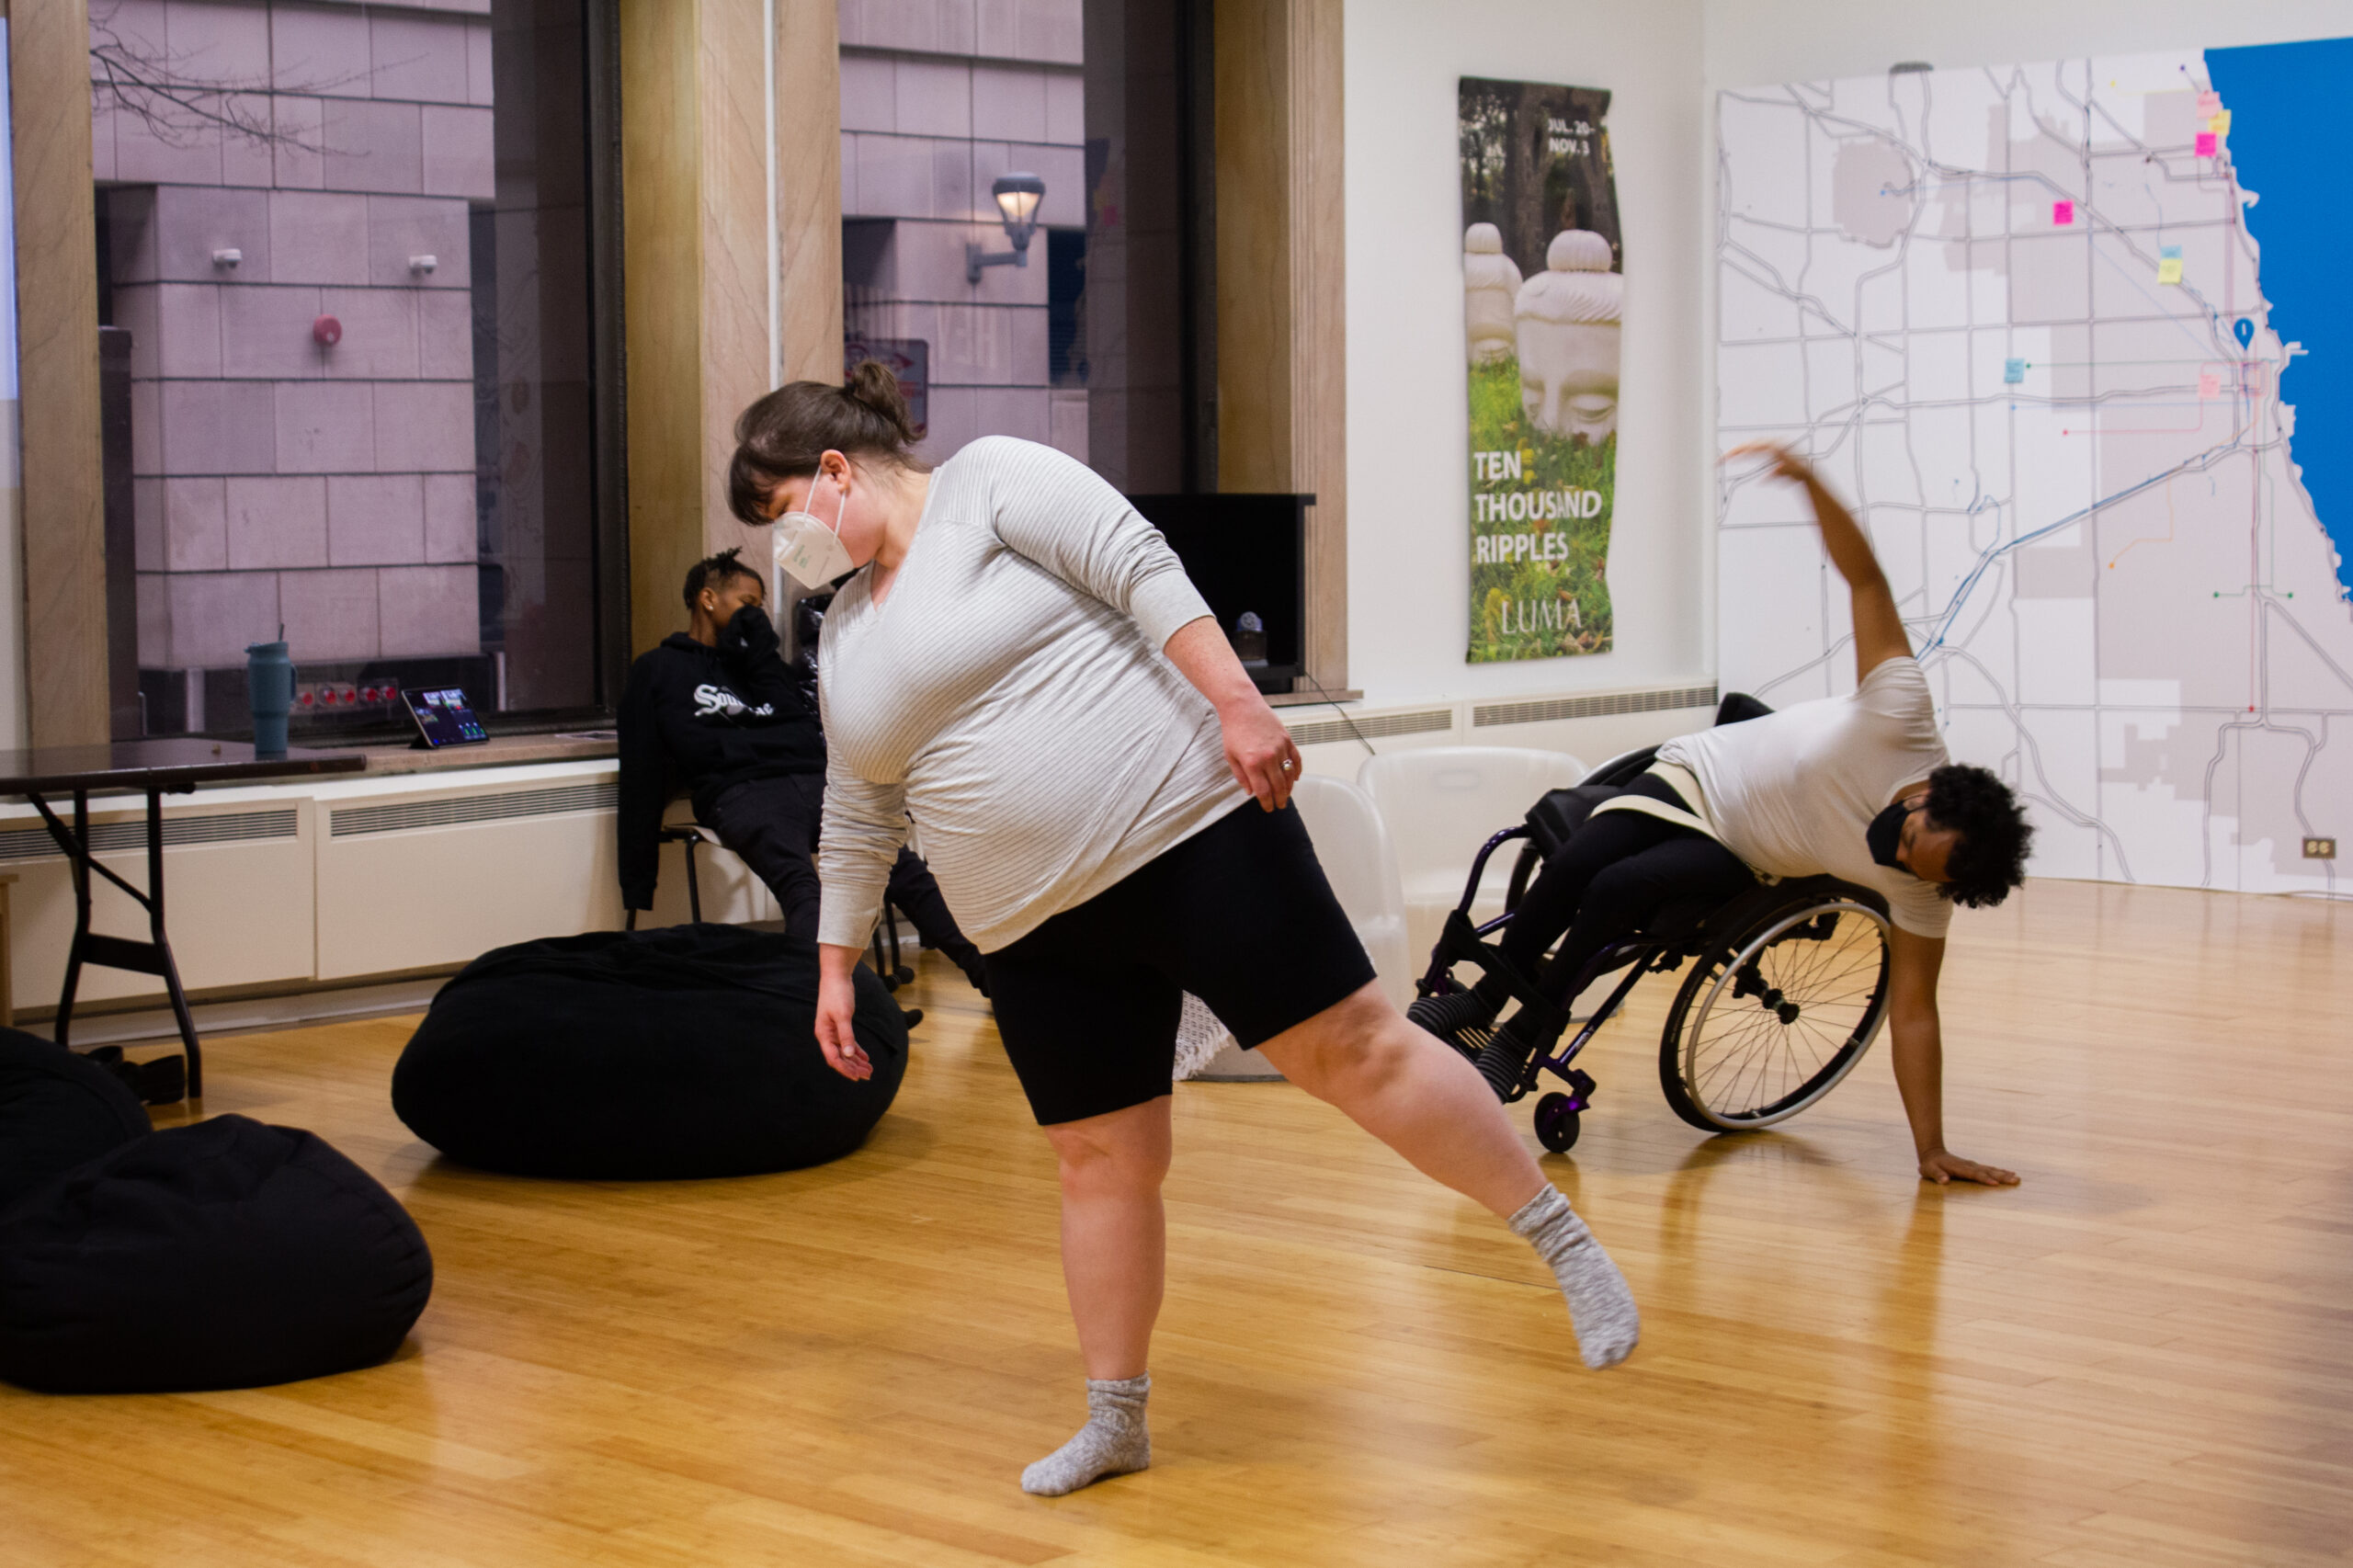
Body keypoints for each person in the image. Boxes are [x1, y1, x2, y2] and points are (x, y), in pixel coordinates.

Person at [728, 363, 1641, 1498]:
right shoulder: (845, 628)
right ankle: (1116, 1416)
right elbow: (858, 803)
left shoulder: (991, 480)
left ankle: (1564, 1243)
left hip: (1184, 833)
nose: (788, 549)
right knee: (1099, 1158)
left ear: (830, 471)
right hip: (1028, 925)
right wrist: (829, 961)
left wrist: (1238, 700)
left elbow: (1138, 566)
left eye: (781, 518)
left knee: (1351, 1050)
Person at [1410, 442, 2031, 1189]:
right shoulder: (1902, 717)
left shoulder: (1920, 890)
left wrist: (1930, 1148)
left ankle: (1521, 1030)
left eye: (1907, 868)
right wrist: (1810, 481)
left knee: (1615, 891)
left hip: (1744, 850)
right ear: (1928, 794)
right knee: (1575, 864)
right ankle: (1481, 997)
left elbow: (1917, 1014)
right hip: (1696, 776)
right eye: (1903, 840)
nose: (1894, 862)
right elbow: (1867, 579)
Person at [615, 546, 990, 998]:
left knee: (902, 867)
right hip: (740, 791)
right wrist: (638, 880)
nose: (756, 616)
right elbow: (641, 768)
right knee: (805, 888)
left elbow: (801, 724)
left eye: (760, 606)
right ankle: (809, 1009)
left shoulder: (762, 668)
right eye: (747, 604)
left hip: (814, 782)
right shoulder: (658, 668)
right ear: (708, 599)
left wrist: (757, 652)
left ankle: (998, 982)